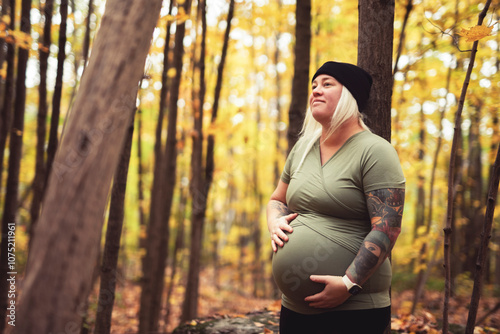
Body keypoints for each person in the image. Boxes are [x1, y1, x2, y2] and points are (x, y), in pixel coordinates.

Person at [267, 61, 405, 334]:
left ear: (350, 96)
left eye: (327, 84)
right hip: (293, 307)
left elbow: (387, 228)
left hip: (356, 307)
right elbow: (277, 200)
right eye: (314, 86)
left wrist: (348, 284)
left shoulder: (376, 151)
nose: (316, 91)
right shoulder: (302, 149)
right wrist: (275, 222)